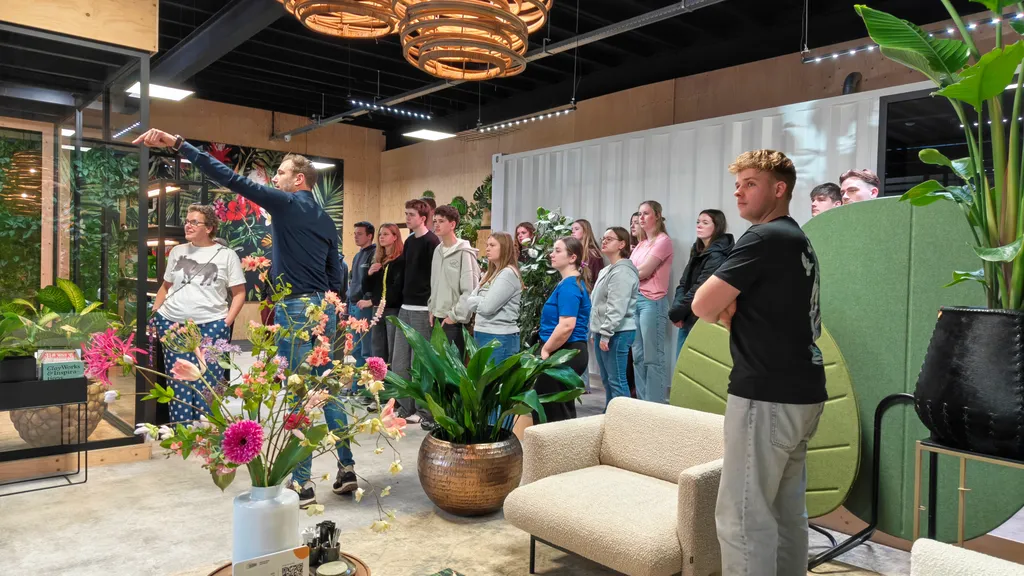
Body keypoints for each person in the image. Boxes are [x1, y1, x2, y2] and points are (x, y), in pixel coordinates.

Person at [133, 128, 355, 508]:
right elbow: (336, 273)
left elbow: (231, 178)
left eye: (281, 173)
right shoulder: (323, 218)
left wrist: (179, 144)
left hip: (296, 309)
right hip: (324, 307)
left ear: (298, 180)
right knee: (325, 387)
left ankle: (302, 483)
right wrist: (331, 306)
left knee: (298, 393)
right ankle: (347, 467)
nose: (276, 179)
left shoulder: (287, 204)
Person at [692, 150, 826, 576]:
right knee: (786, 514)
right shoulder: (797, 239)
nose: (739, 192)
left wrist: (724, 309)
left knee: (743, 518)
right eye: (737, 185)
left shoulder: (763, 237)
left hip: (766, 394)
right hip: (803, 391)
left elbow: (701, 304)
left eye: (750, 183)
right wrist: (729, 309)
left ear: (779, 188)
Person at [151, 204, 245, 422]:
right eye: (187, 221)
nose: (188, 225)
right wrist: (156, 313)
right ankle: (182, 429)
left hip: (212, 325)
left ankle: (207, 430)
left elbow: (239, 293)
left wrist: (225, 323)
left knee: (210, 383)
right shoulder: (177, 252)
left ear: (209, 227)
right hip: (173, 324)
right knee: (179, 382)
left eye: (194, 222)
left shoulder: (227, 255)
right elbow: (166, 286)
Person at [391, 198, 441, 424]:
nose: (407, 218)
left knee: (420, 362)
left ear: (422, 218)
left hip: (423, 307)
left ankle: (424, 411)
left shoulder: (432, 242)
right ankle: (405, 406)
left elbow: (435, 277)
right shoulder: (410, 241)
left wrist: (432, 305)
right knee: (400, 360)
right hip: (405, 306)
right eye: (406, 214)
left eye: (411, 214)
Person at [536, 237, 591, 422]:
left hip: (565, 351)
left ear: (572, 257)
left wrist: (546, 350)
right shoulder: (568, 283)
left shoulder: (570, 285)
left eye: (558, 251)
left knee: (553, 413)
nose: (552, 254)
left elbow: (567, 325)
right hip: (564, 350)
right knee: (557, 409)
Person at [669, 209, 733, 360]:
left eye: (705, 223)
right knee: (681, 362)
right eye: (698, 222)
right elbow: (684, 283)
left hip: (702, 318)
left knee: (691, 364)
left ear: (717, 226)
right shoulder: (698, 250)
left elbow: (700, 289)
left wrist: (677, 313)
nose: (699, 225)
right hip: (687, 314)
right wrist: (677, 311)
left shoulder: (717, 254)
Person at [629, 200, 674, 403]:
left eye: (646, 213)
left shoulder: (663, 241)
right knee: (637, 356)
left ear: (657, 215)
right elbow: (631, 270)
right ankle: (642, 401)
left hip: (652, 301)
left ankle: (655, 403)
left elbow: (644, 271)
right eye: (639, 214)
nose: (641, 217)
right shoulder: (641, 244)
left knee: (652, 357)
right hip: (636, 299)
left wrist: (630, 274)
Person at [590, 227, 638, 409]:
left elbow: (617, 306)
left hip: (618, 332)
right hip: (605, 331)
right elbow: (597, 303)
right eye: (603, 238)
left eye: (609, 239)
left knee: (617, 380)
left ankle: (624, 419)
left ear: (622, 244)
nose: (604, 241)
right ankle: (610, 414)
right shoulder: (607, 270)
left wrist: (606, 332)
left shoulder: (623, 272)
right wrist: (596, 329)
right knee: (607, 379)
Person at [428, 205, 481, 358]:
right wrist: (432, 307)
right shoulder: (437, 251)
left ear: (452, 224)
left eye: (441, 221)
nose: (436, 225)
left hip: (454, 320)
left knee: (453, 367)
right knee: (437, 366)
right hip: (436, 317)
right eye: (435, 221)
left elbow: (470, 290)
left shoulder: (464, 252)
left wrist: (454, 316)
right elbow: (434, 284)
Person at [467, 232, 522, 365]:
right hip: (483, 333)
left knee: (496, 378)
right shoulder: (490, 273)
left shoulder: (507, 274)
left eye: (492, 245)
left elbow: (487, 308)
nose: (487, 249)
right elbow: (469, 301)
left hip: (499, 337)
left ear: (504, 248)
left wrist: (478, 301)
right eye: (487, 245)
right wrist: (481, 301)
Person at [361, 223, 404, 365]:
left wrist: (373, 301)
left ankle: (391, 377)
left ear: (395, 237)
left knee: (392, 348)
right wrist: (369, 274)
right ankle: (378, 376)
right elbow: (367, 288)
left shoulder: (400, 260)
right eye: (380, 234)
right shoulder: (378, 259)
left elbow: (396, 289)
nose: (381, 237)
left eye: (385, 234)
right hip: (378, 309)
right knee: (377, 348)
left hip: (392, 309)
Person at [348, 221, 376, 370]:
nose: (356, 237)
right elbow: (352, 281)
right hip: (353, 305)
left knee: (366, 348)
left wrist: (369, 300)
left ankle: (364, 381)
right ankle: (357, 380)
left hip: (365, 306)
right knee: (355, 348)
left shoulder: (375, 254)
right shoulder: (357, 256)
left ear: (369, 236)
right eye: (355, 234)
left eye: (359, 234)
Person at [571, 219, 604, 291]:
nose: (573, 231)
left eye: (576, 229)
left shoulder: (593, 254)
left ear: (585, 231)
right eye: (572, 229)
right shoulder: (573, 251)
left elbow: (597, 279)